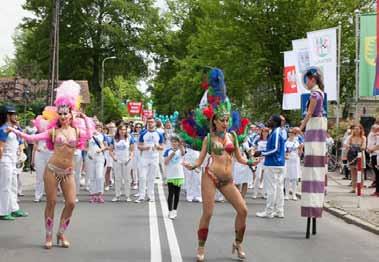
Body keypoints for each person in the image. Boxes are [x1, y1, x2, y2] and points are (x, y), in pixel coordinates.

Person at [8, 81, 94, 248]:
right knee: (52, 202)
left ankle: (61, 233)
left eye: (66, 113)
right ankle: (48, 236)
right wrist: (14, 130)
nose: (63, 116)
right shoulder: (52, 131)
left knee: (71, 203)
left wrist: (84, 118)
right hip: (52, 170)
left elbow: (89, 135)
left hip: (68, 171)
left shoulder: (77, 131)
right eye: (60, 114)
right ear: (58, 115)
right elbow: (31, 138)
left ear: (71, 114)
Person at [183, 111, 256, 261]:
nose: (225, 123)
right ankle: (201, 247)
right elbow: (200, 160)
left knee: (243, 210)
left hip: (227, 180)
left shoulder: (233, 137)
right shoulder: (208, 139)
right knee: (208, 213)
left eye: (227, 120)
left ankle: (238, 243)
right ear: (215, 122)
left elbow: (240, 158)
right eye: (222, 120)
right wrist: (192, 166)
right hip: (210, 176)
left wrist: (250, 162)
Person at [299, 67, 327, 238]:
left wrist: (299, 128)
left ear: (312, 80)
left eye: (307, 80)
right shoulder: (320, 93)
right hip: (316, 131)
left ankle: (312, 207)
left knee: (313, 166)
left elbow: (309, 114)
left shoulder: (315, 95)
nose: (306, 83)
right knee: (314, 168)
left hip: (314, 130)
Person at [0, 105, 29, 221]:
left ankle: (13, 208)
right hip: (5, 160)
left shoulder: (14, 128)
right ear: (8, 115)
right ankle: (2, 211)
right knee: (5, 186)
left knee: (13, 185)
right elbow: (0, 147)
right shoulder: (3, 129)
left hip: (12, 160)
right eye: (14, 114)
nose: (16, 116)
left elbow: (22, 140)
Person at [255, 115, 286, 218]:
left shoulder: (276, 132)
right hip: (277, 164)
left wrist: (261, 153)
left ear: (275, 122)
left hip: (273, 164)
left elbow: (275, 149)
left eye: (270, 120)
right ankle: (279, 211)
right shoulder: (275, 132)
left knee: (272, 189)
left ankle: (269, 211)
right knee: (278, 188)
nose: (268, 121)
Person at [135, 117, 164, 203]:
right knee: (142, 177)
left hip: (154, 158)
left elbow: (162, 147)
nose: (150, 124)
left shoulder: (159, 134)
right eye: (149, 122)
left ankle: (150, 196)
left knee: (151, 178)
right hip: (144, 157)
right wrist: (145, 148)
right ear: (147, 123)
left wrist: (158, 147)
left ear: (155, 123)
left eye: (152, 122)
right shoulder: (143, 133)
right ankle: (141, 196)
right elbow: (139, 146)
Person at [110, 123, 135, 202]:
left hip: (127, 160)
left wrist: (130, 157)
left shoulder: (130, 138)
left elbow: (132, 150)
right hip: (117, 160)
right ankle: (117, 195)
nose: (123, 131)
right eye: (121, 130)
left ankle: (127, 196)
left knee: (127, 178)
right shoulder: (114, 138)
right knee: (117, 178)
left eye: (124, 130)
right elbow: (110, 150)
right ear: (118, 130)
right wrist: (113, 158)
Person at [164, 135, 185, 219]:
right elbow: (165, 162)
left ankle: (174, 210)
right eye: (173, 142)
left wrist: (180, 144)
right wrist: (172, 154)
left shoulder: (180, 150)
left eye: (176, 142)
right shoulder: (167, 151)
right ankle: (169, 211)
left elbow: (183, 153)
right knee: (170, 194)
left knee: (177, 194)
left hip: (179, 175)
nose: (174, 143)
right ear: (171, 143)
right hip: (171, 175)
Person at [86, 122, 107, 203]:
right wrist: (88, 153)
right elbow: (85, 146)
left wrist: (101, 150)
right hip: (90, 158)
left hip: (99, 158)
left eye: (100, 126)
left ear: (102, 128)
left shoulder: (102, 136)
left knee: (99, 176)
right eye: (96, 126)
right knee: (92, 177)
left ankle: (100, 194)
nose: (98, 128)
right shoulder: (88, 136)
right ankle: (93, 194)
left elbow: (105, 146)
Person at [345, 124, 366, 193]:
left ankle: (360, 188)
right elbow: (345, 144)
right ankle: (354, 188)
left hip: (360, 156)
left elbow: (364, 146)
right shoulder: (350, 137)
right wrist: (349, 146)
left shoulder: (363, 137)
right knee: (353, 172)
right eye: (355, 129)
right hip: (352, 155)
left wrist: (360, 148)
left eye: (358, 129)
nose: (356, 130)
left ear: (360, 130)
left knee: (360, 172)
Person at [252, 127, 269, 199]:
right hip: (259, 160)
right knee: (258, 176)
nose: (265, 133)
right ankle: (255, 193)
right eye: (263, 131)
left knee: (266, 177)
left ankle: (264, 193)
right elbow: (253, 149)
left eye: (266, 132)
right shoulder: (258, 140)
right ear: (261, 132)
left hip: (267, 160)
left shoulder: (270, 141)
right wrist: (254, 157)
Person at [284, 129, 301, 201]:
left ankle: (294, 194)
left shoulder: (297, 142)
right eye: (290, 133)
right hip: (288, 161)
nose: (291, 134)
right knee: (287, 178)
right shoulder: (285, 142)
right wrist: (285, 156)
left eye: (292, 133)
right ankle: (286, 194)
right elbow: (284, 152)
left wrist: (300, 149)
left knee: (295, 178)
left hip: (295, 161)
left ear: (295, 134)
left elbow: (300, 153)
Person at [367, 124, 379, 196]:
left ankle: (377, 191)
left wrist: (371, 150)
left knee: (378, 174)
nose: (374, 129)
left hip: (377, 155)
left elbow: (378, 146)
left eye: (376, 128)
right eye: (373, 128)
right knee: (377, 174)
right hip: (373, 155)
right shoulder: (372, 135)